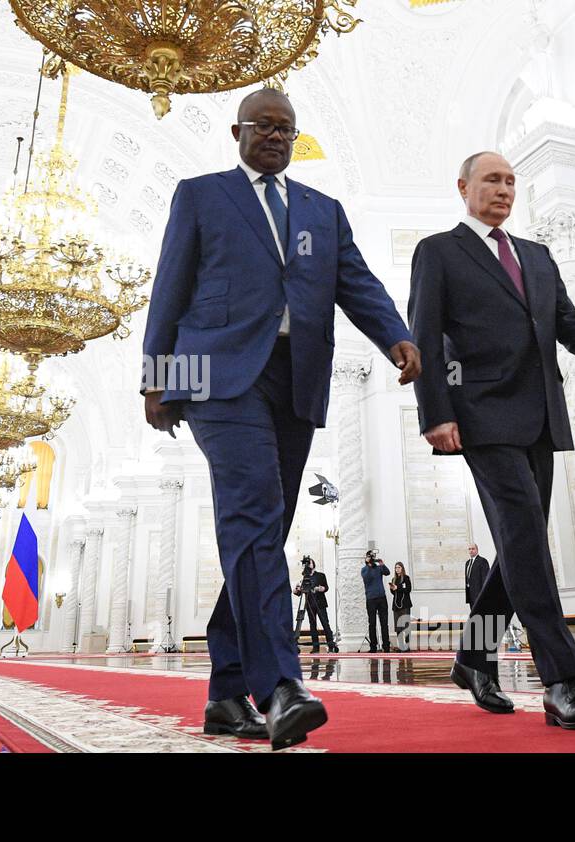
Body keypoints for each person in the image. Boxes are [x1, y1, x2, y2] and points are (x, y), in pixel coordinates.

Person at [142, 87, 421, 749]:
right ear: (237, 131)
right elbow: (170, 287)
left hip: (295, 379)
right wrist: (157, 378)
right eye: (263, 125)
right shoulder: (201, 195)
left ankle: (222, 694)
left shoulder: (322, 212)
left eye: (286, 129)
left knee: (263, 526)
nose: (274, 135)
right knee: (253, 514)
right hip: (214, 377)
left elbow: (356, 281)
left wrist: (396, 336)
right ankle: (280, 687)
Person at [408, 151, 575, 730]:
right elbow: (423, 334)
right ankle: (564, 681)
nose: (504, 190)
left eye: (510, 181)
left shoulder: (536, 254)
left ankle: (474, 655)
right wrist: (435, 411)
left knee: (519, 543)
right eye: (492, 180)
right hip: (479, 416)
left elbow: (566, 319)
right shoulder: (439, 251)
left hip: (540, 415)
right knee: (526, 537)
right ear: (463, 187)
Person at [292, 556, 336, 654]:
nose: (308, 565)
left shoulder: (320, 575)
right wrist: (296, 590)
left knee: (325, 624)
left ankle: (331, 646)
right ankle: (315, 647)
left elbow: (326, 587)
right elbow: (299, 592)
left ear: (314, 564)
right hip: (309, 604)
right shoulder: (304, 578)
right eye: (307, 563)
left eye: (310, 563)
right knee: (313, 625)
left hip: (320, 604)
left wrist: (321, 589)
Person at [361, 551, 391, 653]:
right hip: (371, 599)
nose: (372, 558)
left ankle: (386, 646)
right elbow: (367, 578)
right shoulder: (364, 570)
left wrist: (382, 564)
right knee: (372, 623)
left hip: (382, 598)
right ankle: (373, 646)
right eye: (370, 557)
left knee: (384, 623)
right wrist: (368, 565)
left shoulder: (379, 568)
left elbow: (387, 572)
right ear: (366, 558)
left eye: (373, 557)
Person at [389, 562, 413, 651]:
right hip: (396, 606)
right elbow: (393, 593)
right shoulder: (393, 579)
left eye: (399, 567)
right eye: (396, 568)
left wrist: (397, 588)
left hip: (405, 605)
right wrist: (392, 589)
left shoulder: (406, 578)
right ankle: (401, 646)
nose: (397, 569)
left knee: (406, 626)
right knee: (398, 628)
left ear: (402, 568)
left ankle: (407, 646)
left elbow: (408, 589)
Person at [464, 543, 490, 609]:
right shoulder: (467, 563)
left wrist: (484, 594)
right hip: (470, 594)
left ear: (477, 550)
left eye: (473, 549)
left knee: (481, 614)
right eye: (469, 549)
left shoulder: (482, 561)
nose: (471, 551)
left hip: (479, 594)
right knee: (474, 615)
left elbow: (485, 578)